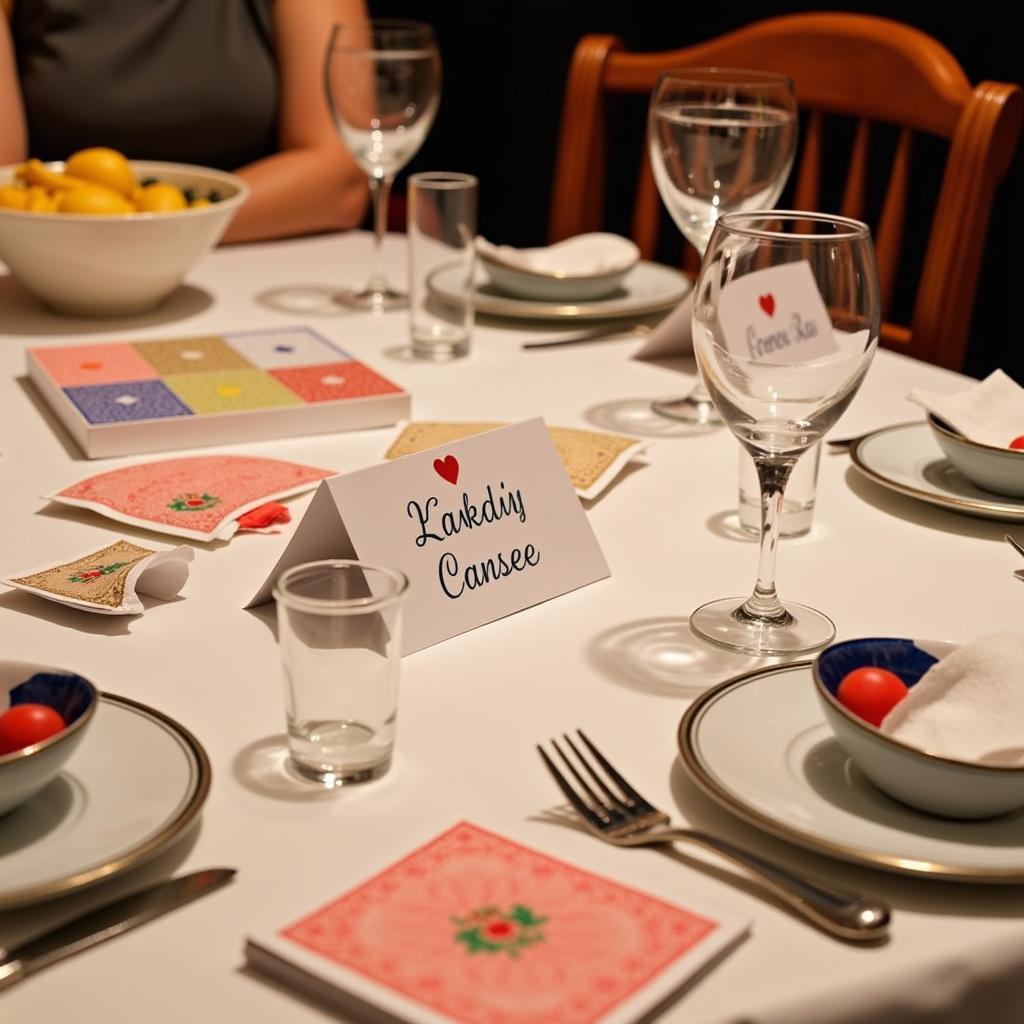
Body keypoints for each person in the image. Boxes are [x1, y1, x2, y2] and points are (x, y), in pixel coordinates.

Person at [0, 0, 369, 242]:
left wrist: (157, 228)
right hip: (55, 269)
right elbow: (5, 179)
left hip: (252, 260)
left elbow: (340, 178)